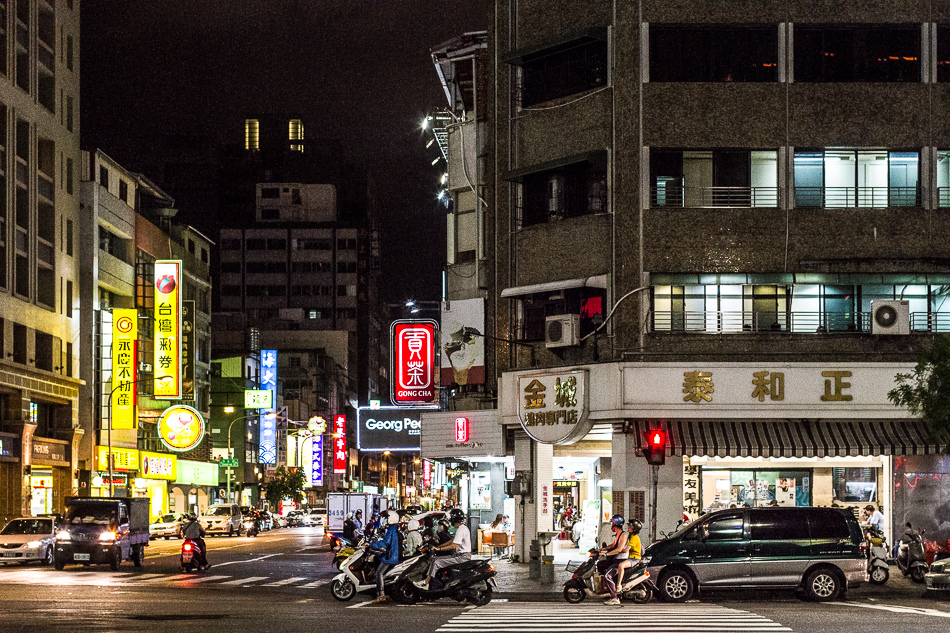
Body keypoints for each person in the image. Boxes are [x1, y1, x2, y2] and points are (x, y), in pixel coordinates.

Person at [417, 508, 471, 588]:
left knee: (436, 561)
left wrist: (439, 549)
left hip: (461, 556)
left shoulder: (460, 529)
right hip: (463, 555)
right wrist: (438, 546)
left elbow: (453, 546)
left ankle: (426, 583)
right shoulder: (463, 528)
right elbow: (452, 541)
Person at [371, 510, 401, 603]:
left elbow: (384, 543)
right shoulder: (394, 529)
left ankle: (381, 594)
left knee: (379, 573)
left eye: (387, 518)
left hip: (390, 557)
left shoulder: (391, 530)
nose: (385, 520)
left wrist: (371, 544)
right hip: (391, 555)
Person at [599, 514, 629, 606]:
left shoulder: (624, 535)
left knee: (608, 575)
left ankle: (614, 597)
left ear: (615, 524)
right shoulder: (618, 535)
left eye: (612, 523)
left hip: (621, 560)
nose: (611, 525)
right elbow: (613, 545)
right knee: (602, 565)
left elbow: (619, 549)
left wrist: (606, 553)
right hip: (616, 559)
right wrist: (600, 550)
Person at [614, 520, 643, 589]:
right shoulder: (630, 535)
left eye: (631, 526)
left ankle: (618, 585)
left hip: (634, 558)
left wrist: (617, 550)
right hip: (631, 557)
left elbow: (626, 550)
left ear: (634, 529)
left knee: (621, 565)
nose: (628, 527)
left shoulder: (634, 538)